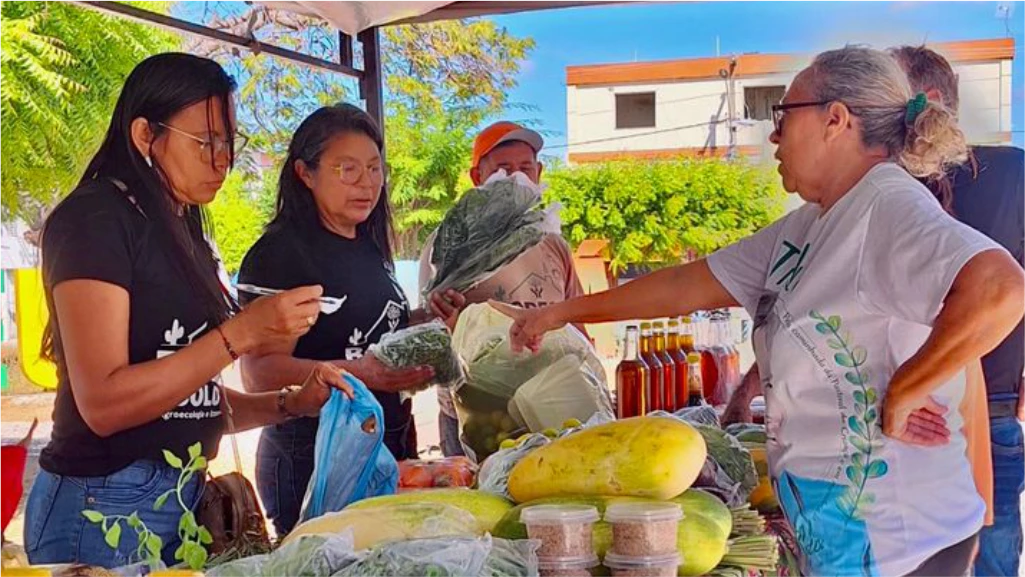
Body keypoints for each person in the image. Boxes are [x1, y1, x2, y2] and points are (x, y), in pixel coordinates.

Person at [494, 46, 1025, 577]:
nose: (773, 136)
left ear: (835, 119)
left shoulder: (887, 206)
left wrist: (908, 388)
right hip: (846, 533)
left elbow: (999, 287)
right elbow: (684, 284)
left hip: (900, 540)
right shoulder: (810, 225)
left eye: (783, 114)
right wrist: (558, 313)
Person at [25, 53, 352, 568]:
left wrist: (290, 404)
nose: (223, 161)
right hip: (103, 504)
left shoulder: (180, 229)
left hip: (178, 498)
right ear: (145, 135)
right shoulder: (96, 219)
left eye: (230, 142)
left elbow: (190, 400)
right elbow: (104, 404)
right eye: (206, 142)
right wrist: (240, 335)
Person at [238, 103, 463, 536]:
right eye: (348, 169)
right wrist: (362, 373)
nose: (367, 183)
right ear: (305, 173)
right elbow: (258, 372)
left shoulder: (367, 244)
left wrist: (429, 320)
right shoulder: (280, 255)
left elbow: (376, 330)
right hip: (314, 455)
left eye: (375, 169)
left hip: (386, 443)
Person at [889, 44, 1025, 577]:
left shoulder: (1011, 172)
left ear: (929, 98)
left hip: (991, 400)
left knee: (993, 550)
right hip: (901, 408)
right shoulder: (880, 184)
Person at [416, 121, 585, 457]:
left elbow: (576, 322)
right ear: (477, 177)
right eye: (503, 170)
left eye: (525, 168)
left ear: (539, 173)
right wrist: (445, 318)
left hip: (549, 407)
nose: (516, 179)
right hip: (478, 416)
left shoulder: (553, 243)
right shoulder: (449, 244)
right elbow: (431, 331)